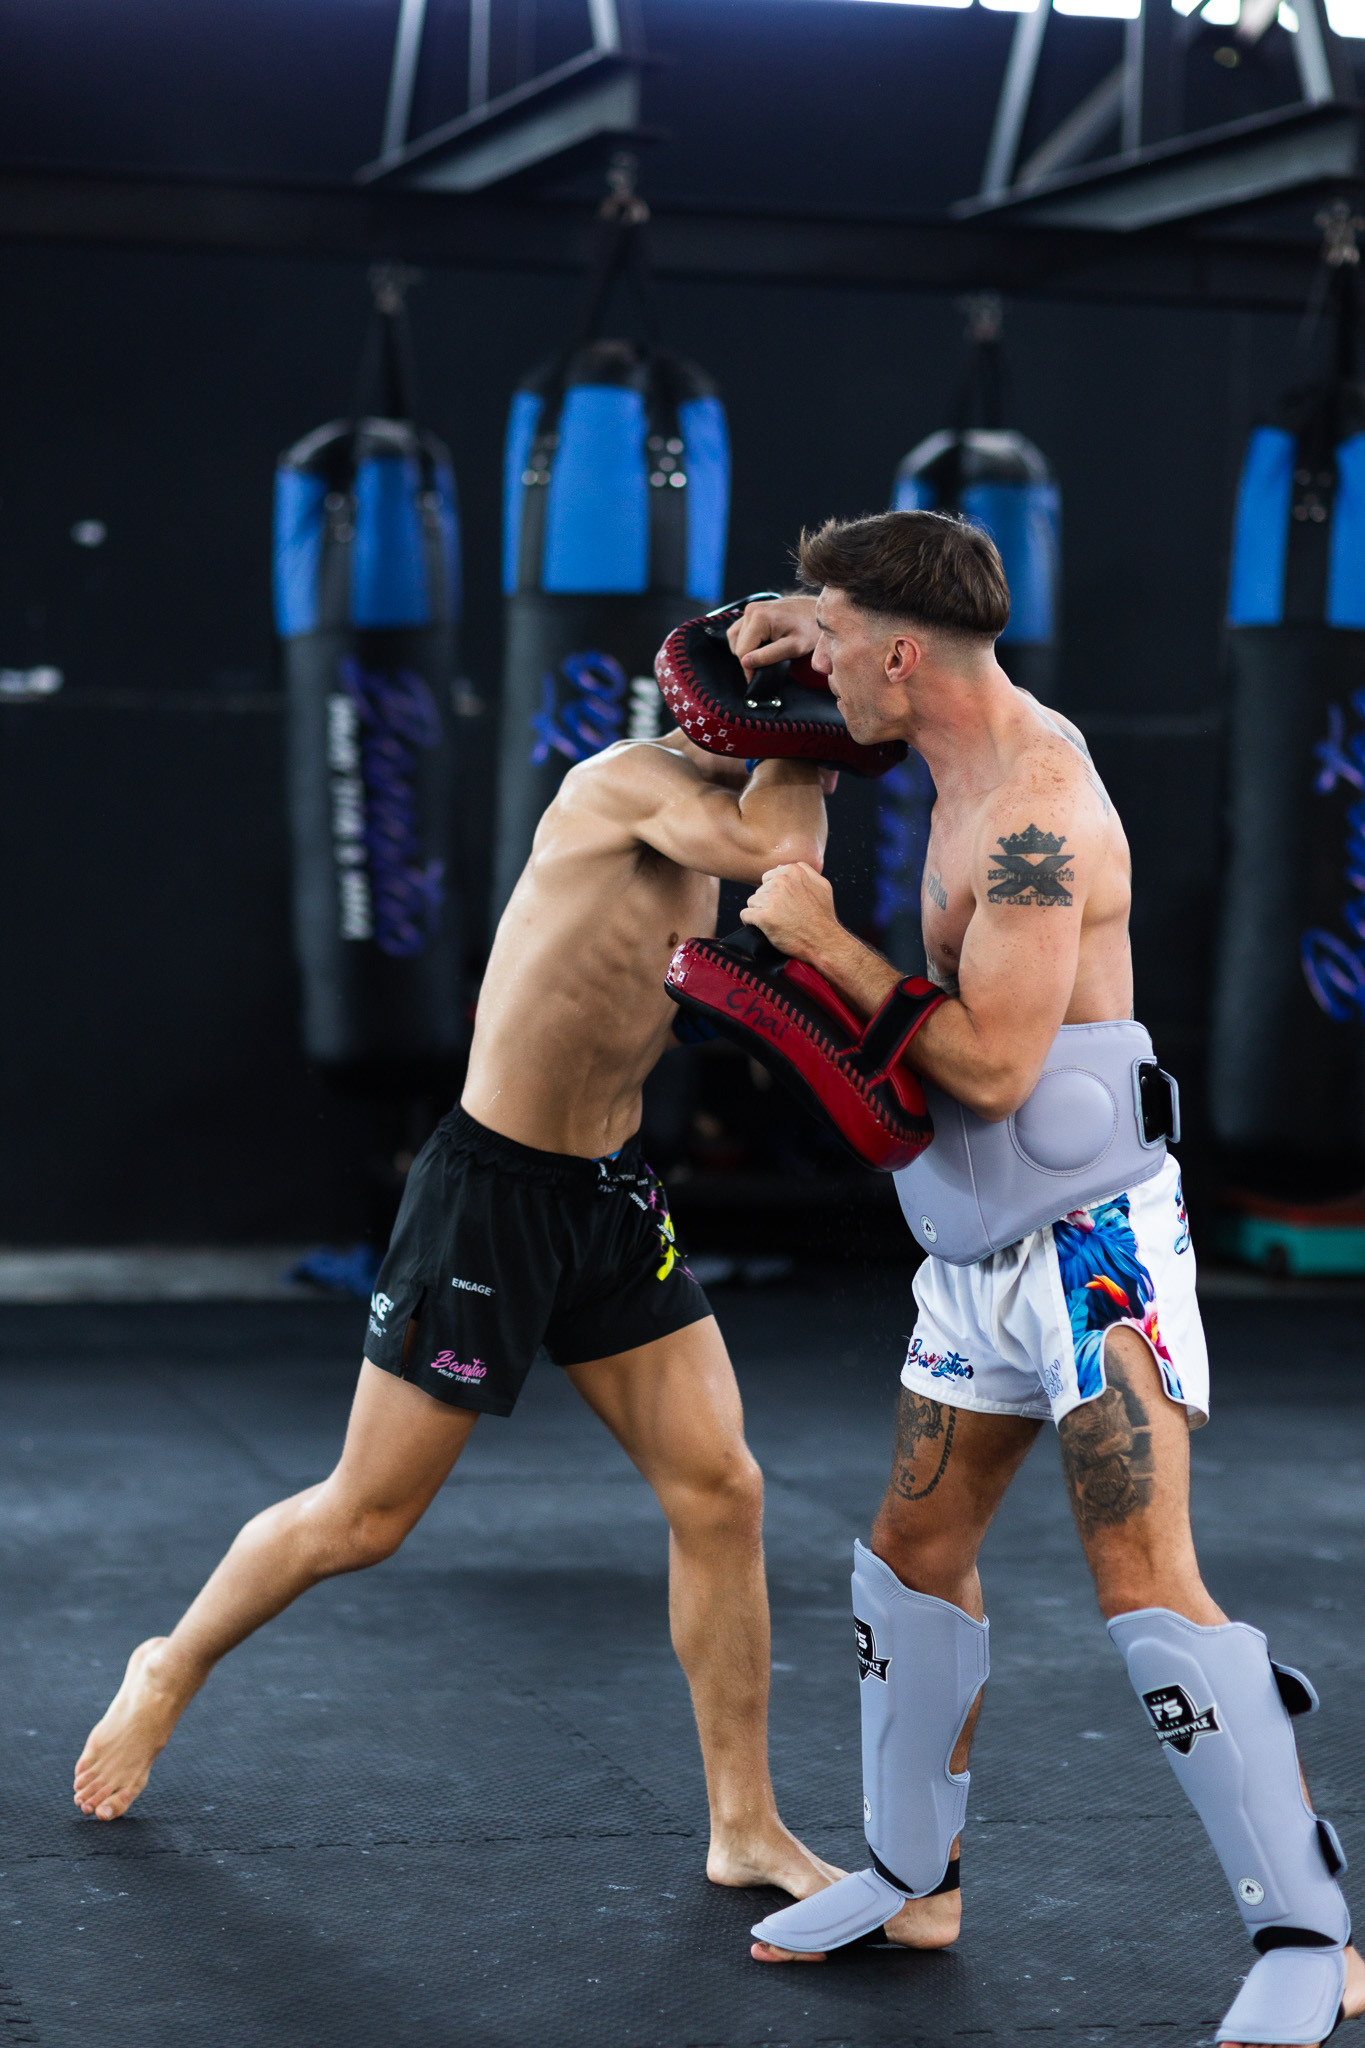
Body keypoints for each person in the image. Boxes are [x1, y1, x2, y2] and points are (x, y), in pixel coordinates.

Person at [724, 511, 1362, 2048]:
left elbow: (998, 1067)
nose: (819, 667)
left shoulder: (1037, 812)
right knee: (909, 1555)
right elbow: (841, 638)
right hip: (973, 1248)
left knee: (1143, 1586)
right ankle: (912, 1880)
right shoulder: (941, 722)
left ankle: (1312, 1934)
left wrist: (824, 942)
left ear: (900, 655)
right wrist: (784, 615)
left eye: (834, 639)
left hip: (1093, 1257)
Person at [73, 726, 839, 1906]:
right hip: (490, 1198)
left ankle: (743, 1823)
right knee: (366, 1515)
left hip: (610, 1196)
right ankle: (170, 1664)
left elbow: (773, 875)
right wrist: (816, 735)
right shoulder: (630, 781)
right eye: (795, 678)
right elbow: (783, 845)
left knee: (722, 1489)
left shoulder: (722, 827)